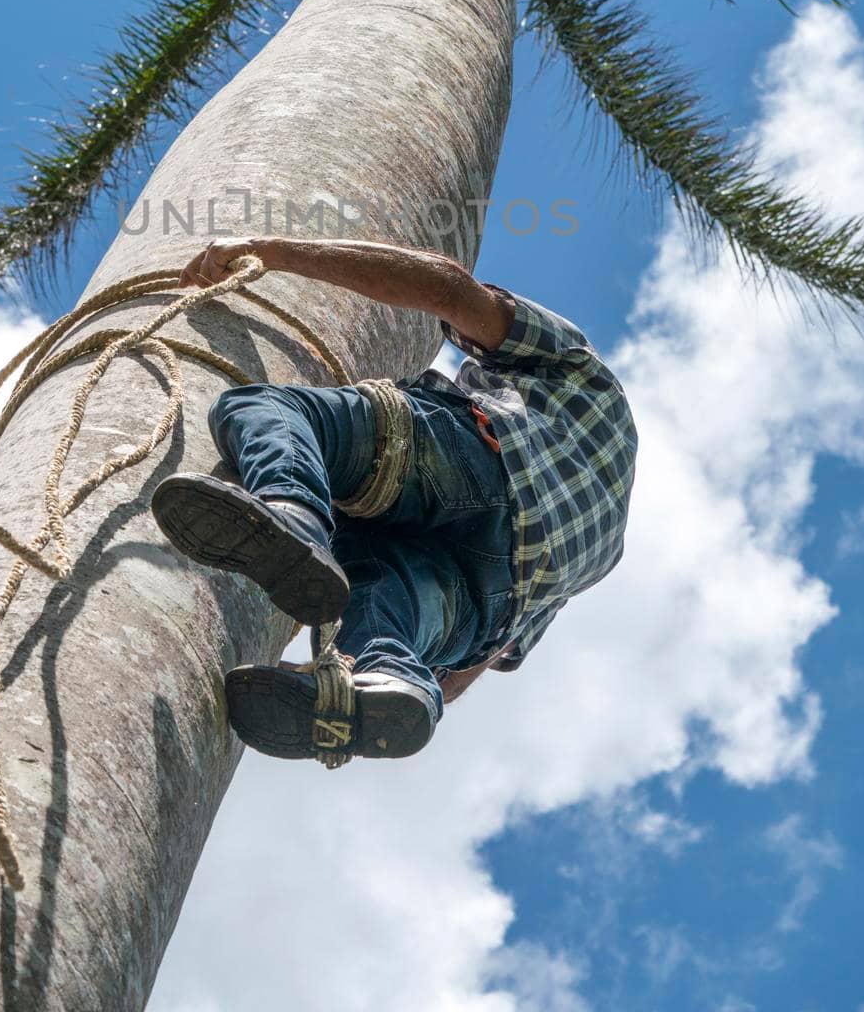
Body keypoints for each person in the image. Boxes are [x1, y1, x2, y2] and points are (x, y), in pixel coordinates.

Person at [151, 235, 638, 767]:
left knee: (266, 409)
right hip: (494, 603)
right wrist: (415, 680)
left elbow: (451, 290)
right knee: (378, 603)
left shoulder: (578, 370)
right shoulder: (603, 554)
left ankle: (293, 511)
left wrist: (273, 252)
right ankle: (382, 674)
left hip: (483, 463)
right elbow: (463, 674)